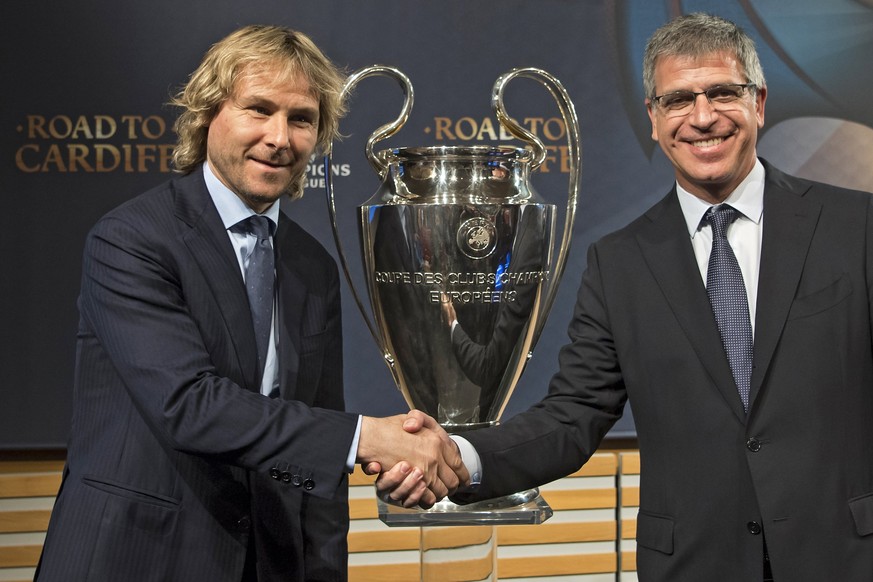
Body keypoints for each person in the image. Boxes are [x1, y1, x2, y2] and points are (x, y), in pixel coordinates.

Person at [377, 12, 873, 581]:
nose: (703, 116)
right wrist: (459, 458)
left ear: (758, 103)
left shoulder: (855, 227)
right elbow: (574, 415)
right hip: (694, 565)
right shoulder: (620, 261)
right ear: (654, 120)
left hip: (845, 558)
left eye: (722, 93)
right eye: (679, 100)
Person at [35, 25, 466, 582]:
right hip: (137, 555)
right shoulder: (132, 239)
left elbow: (318, 449)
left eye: (302, 119)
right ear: (207, 115)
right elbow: (189, 406)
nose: (280, 137)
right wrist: (364, 438)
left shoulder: (311, 265)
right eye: (258, 109)